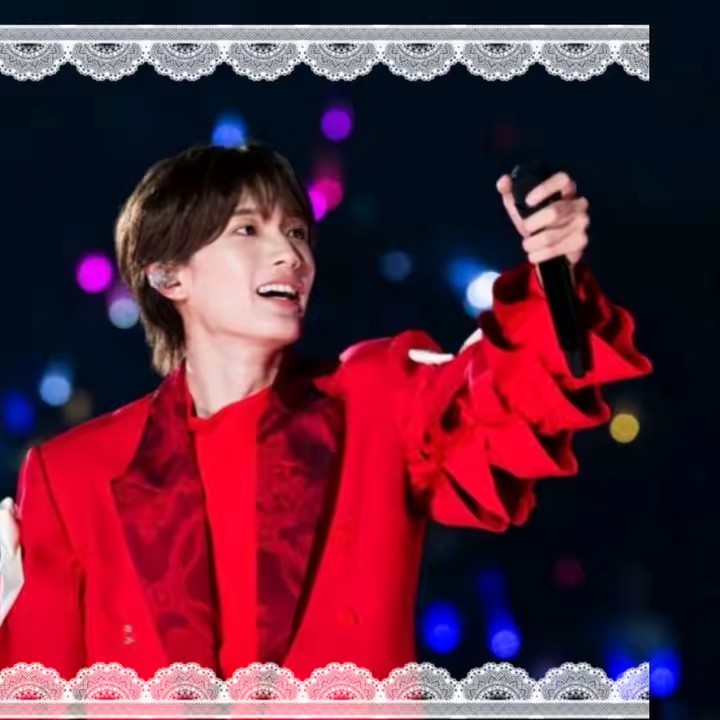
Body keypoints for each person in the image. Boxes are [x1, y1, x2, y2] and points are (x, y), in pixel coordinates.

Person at [0, 143, 651, 682]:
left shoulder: (374, 402)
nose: (291, 254)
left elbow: (509, 397)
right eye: (248, 229)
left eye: (296, 231)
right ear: (170, 276)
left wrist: (554, 275)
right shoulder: (73, 473)